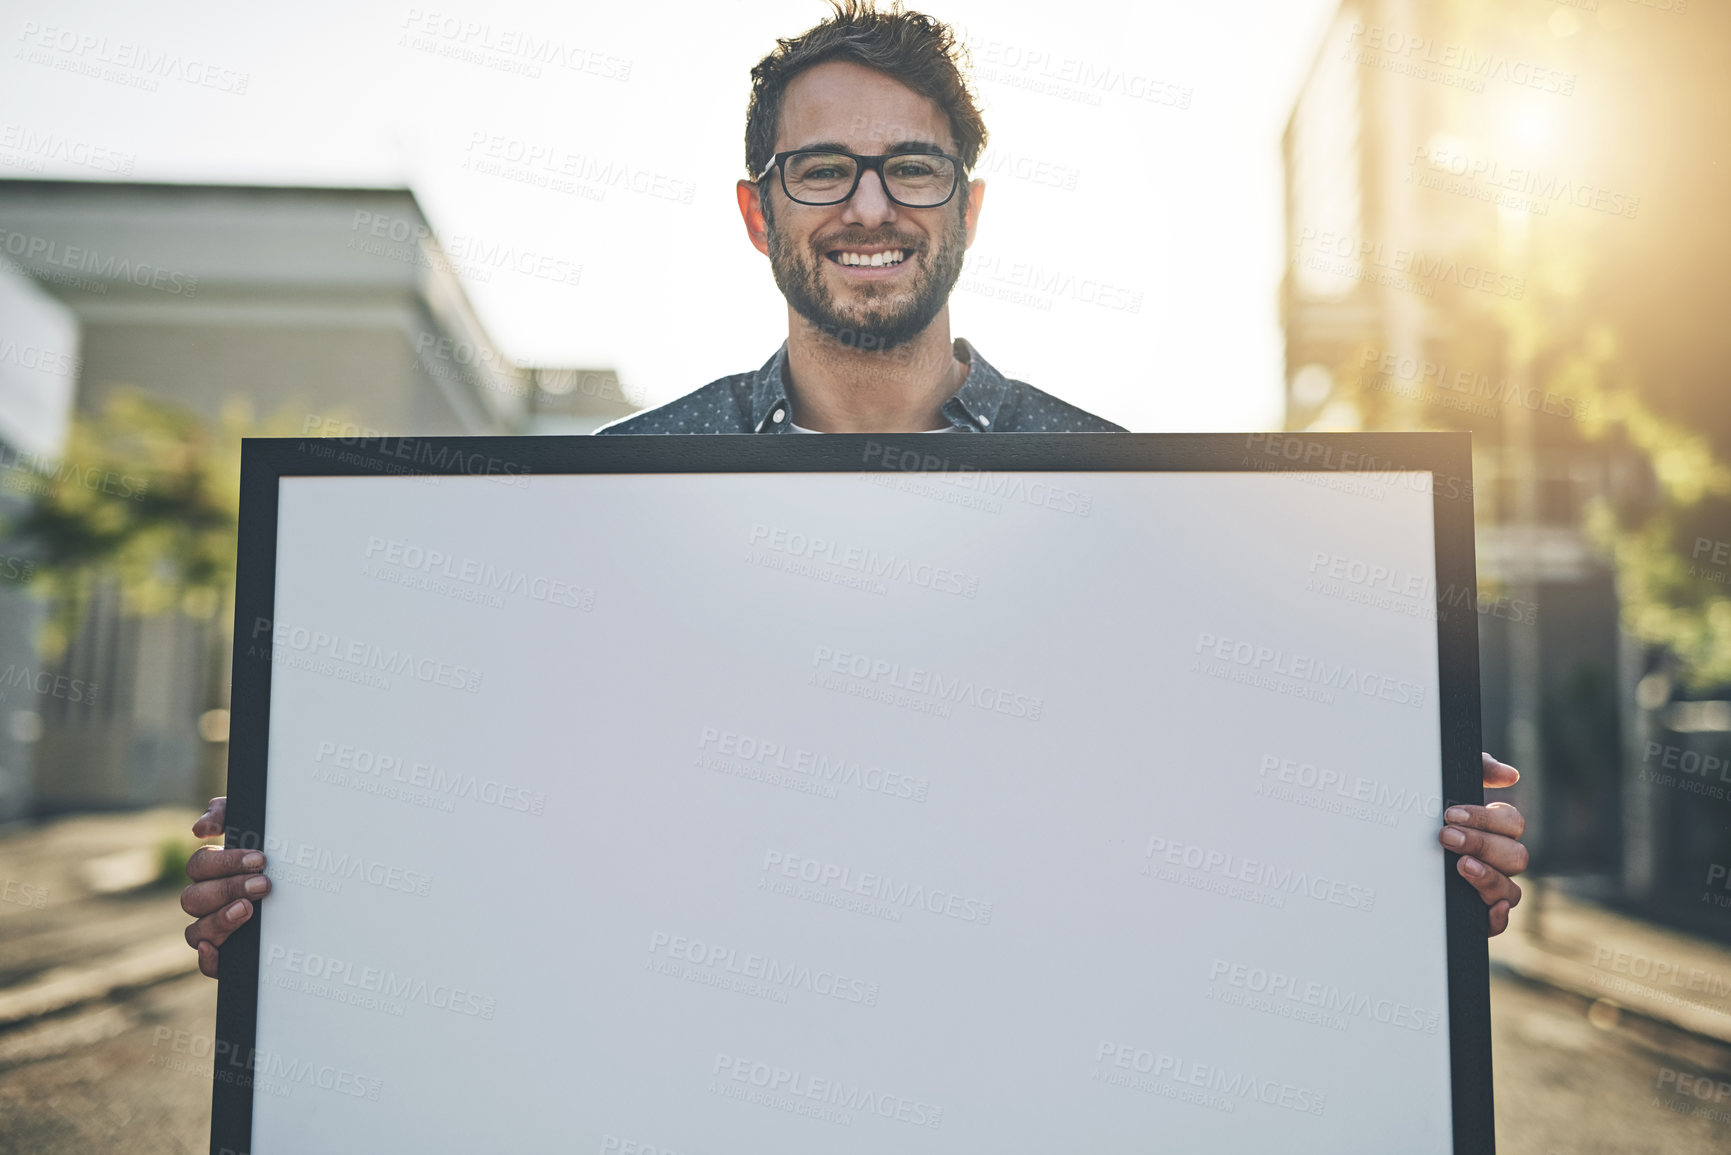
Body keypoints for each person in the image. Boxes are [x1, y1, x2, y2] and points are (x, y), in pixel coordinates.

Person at [181, 0, 1529, 978]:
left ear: (970, 210)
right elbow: (499, 816)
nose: (869, 205)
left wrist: (1403, 869)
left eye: (913, 168)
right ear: (760, 212)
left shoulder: (1137, 516)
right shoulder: (604, 507)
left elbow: (1215, 835)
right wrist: (302, 888)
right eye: (822, 169)